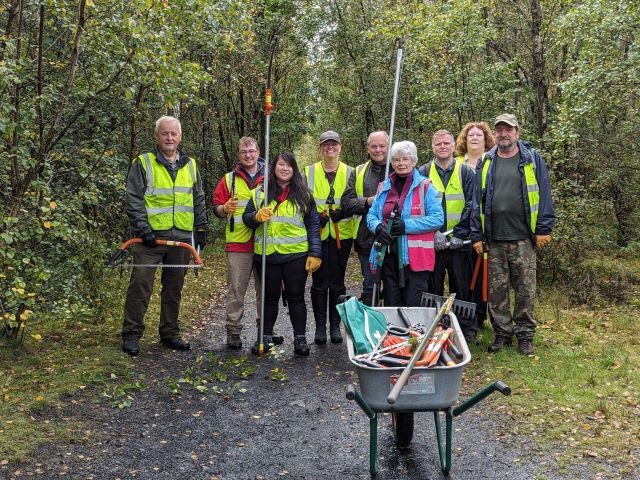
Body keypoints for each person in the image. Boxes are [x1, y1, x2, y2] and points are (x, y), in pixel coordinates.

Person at [121, 116, 207, 356]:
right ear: (156, 136)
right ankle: (131, 334)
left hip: (180, 239)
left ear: (180, 137)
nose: (169, 138)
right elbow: (134, 198)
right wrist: (143, 228)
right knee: (140, 285)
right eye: (164, 134)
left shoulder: (191, 165)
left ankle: (169, 333)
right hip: (149, 239)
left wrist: (200, 229)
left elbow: (198, 198)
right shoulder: (144, 163)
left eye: (173, 134)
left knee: (174, 288)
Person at [471, 114, 555, 355]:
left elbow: (544, 193)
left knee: (525, 290)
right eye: (499, 130)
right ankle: (502, 334)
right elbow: (477, 201)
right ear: (494, 134)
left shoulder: (531, 159)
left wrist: (543, 228)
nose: (503, 134)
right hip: (494, 239)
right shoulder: (486, 161)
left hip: (523, 239)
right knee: (496, 292)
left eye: (508, 129)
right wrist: (477, 236)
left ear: (517, 132)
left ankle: (525, 335)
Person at [243, 152, 322, 356]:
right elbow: (246, 219)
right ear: (274, 167)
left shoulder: (304, 195)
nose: (285, 169)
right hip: (267, 255)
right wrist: (256, 216)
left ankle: (300, 339)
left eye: (289, 165)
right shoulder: (260, 193)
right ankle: (266, 337)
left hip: (296, 255)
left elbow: (313, 225)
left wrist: (315, 253)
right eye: (281, 164)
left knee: (296, 297)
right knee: (269, 298)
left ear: (294, 169)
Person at [212, 137, 283, 350]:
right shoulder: (229, 179)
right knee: (236, 290)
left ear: (258, 151)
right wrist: (224, 209)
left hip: (265, 242)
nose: (248, 155)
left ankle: (266, 330)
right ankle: (233, 332)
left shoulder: (271, 177)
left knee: (267, 290)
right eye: (243, 152)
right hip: (238, 244)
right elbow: (216, 207)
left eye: (251, 151)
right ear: (238, 155)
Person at [367, 141, 443, 307]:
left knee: (413, 306)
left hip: (415, 259)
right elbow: (371, 215)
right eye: (396, 160)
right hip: (387, 256)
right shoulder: (384, 186)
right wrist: (378, 227)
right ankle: (394, 334)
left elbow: (438, 218)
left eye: (405, 159)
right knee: (391, 305)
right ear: (391, 162)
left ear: (414, 161)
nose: (400, 163)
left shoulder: (425, 187)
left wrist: (406, 226)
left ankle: (413, 334)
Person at [418, 130, 476, 343]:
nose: (442, 146)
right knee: (432, 289)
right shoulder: (423, 171)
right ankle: (433, 330)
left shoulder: (466, 172)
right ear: (433, 147)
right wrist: (433, 233)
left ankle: (465, 332)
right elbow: (418, 207)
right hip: (432, 244)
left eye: (446, 143)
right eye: (438, 144)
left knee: (461, 288)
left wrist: (460, 233)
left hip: (460, 244)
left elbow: (472, 203)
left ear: (453, 146)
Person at [304, 131, 354, 344]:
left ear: (340, 147)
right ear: (320, 148)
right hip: (318, 233)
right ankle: (320, 326)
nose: (329, 148)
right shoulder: (309, 171)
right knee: (319, 281)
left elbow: (357, 200)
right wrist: (315, 217)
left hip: (342, 234)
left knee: (338, 282)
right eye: (325, 145)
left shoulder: (351, 172)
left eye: (333, 144)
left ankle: (335, 325)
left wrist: (345, 212)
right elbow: (302, 201)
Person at [455, 122, 495, 333]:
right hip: (460, 234)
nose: (475, 138)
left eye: (479, 135)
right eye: (470, 135)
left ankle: (480, 316)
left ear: (486, 139)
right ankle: (464, 317)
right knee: (465, 277)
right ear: (464, 139)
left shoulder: (492, 162)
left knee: (483, 276)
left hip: (484, 230)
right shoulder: (456, 164)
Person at [342, 131, 390, 306]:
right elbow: (346, 204)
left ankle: (393, 329)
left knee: (393, 287)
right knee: (370, 286)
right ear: (368, 149)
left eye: (382, 146)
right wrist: (368, 201)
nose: (378, 150)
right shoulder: (359, 172)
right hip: (366, 239)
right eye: (374, 146)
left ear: (389, 146)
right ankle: (371, 326)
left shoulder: (400, 166)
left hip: (394, 239)